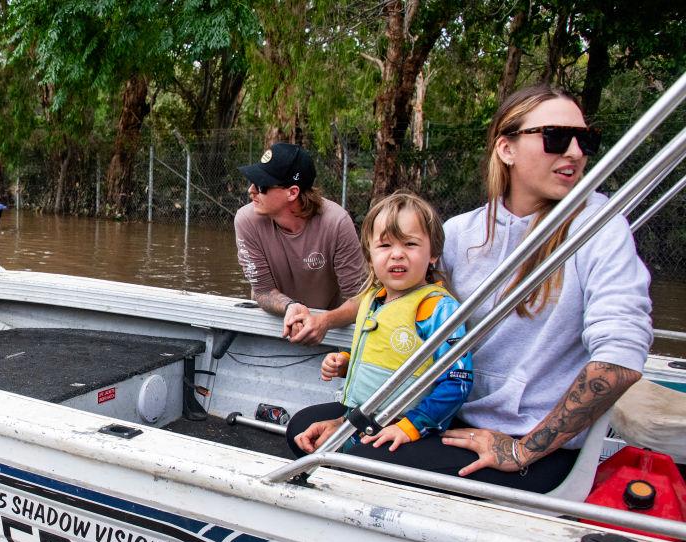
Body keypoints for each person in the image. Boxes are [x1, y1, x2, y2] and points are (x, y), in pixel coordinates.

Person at [294, 84, 652, 494]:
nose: (573, 152)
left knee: (330, 452)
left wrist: (523, 451)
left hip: (527, 446)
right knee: (309, 429)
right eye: (555, 138)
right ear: (507, 148)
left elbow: (620, 360)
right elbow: (394, 295)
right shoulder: (462, 232)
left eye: (584, 140)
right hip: (451, 415)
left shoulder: (601, 230)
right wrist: (326, 321)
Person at [289, 192, 473, 457]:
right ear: (370, 256)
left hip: (406, 424)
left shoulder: (437, 308)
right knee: (301, 432)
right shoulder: (374, 299)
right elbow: (388, 356)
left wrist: (411, 426)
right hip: (364, 417)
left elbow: (459, 380)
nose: (397, 255)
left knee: (349, 457)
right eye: (385, 246)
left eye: (410, 244)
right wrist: (346, 362)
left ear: (433, 254)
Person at [235, 143, 365, 345]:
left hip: (330, 332)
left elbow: (360, 298)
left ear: (292, 192)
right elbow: (262, 291)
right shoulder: (246, 220)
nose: (251, 191)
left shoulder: (337, 223)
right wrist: (290, 306)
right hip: (275, 323)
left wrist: (325, 321)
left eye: (261, 185)